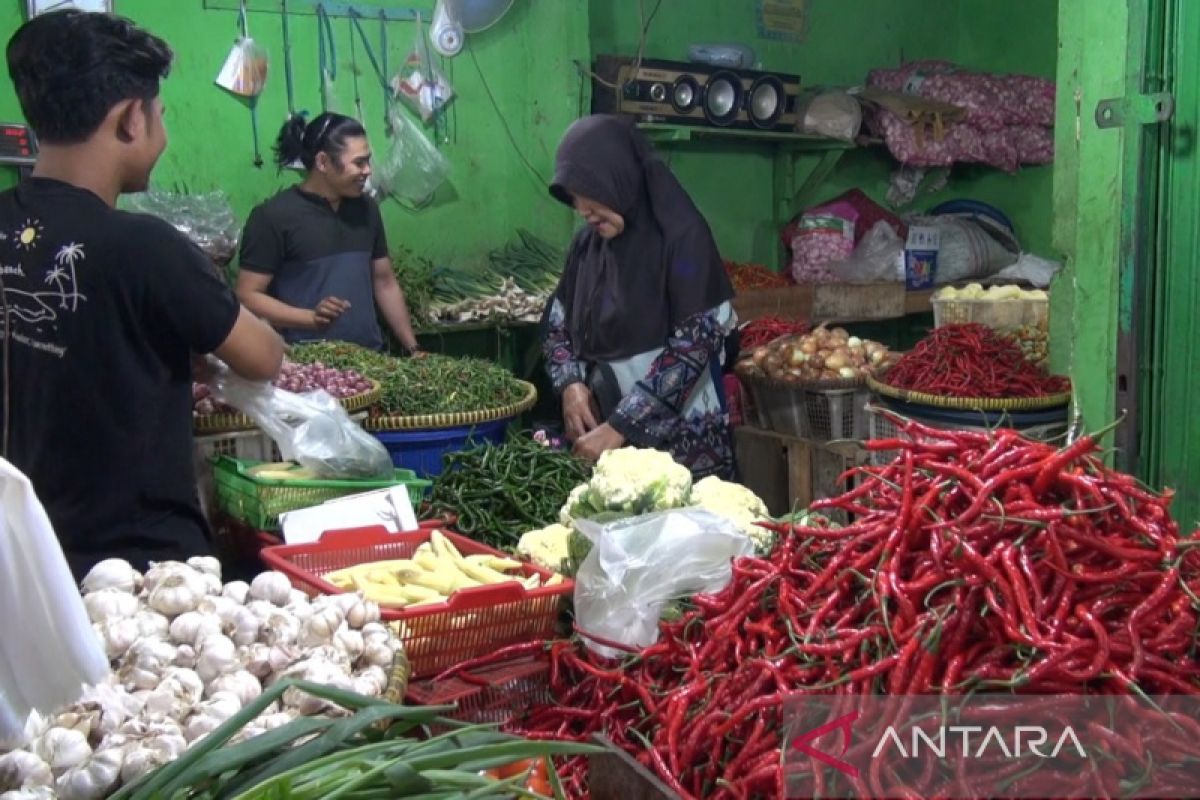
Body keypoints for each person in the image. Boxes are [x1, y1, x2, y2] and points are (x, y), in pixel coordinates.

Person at [0, 11, 284, 578]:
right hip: (142, 563)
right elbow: (264, 357)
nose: (161, 128)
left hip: (30, 553)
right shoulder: (147, 246)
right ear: (132, 118)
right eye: (160, 113)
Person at [542, 114, 738, 479]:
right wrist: (570, 383)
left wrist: (621, 426)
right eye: (574, 196)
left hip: (683, 448)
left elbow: (695, 345)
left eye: (590, 189)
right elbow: (557, 323)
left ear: (621, 177)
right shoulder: (588, 246)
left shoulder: (682, 240)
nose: (582, 209)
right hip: (606, 442)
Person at [236, 113, 423, 354]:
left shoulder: (366, 209)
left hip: (370, 358)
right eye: (359, 162)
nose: (367, 171)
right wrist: (309, 318)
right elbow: (247, 296)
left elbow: (384, 282)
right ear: (323, 162)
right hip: (307, 363)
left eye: (368, 161)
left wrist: (413, 347)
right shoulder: (273, 217)